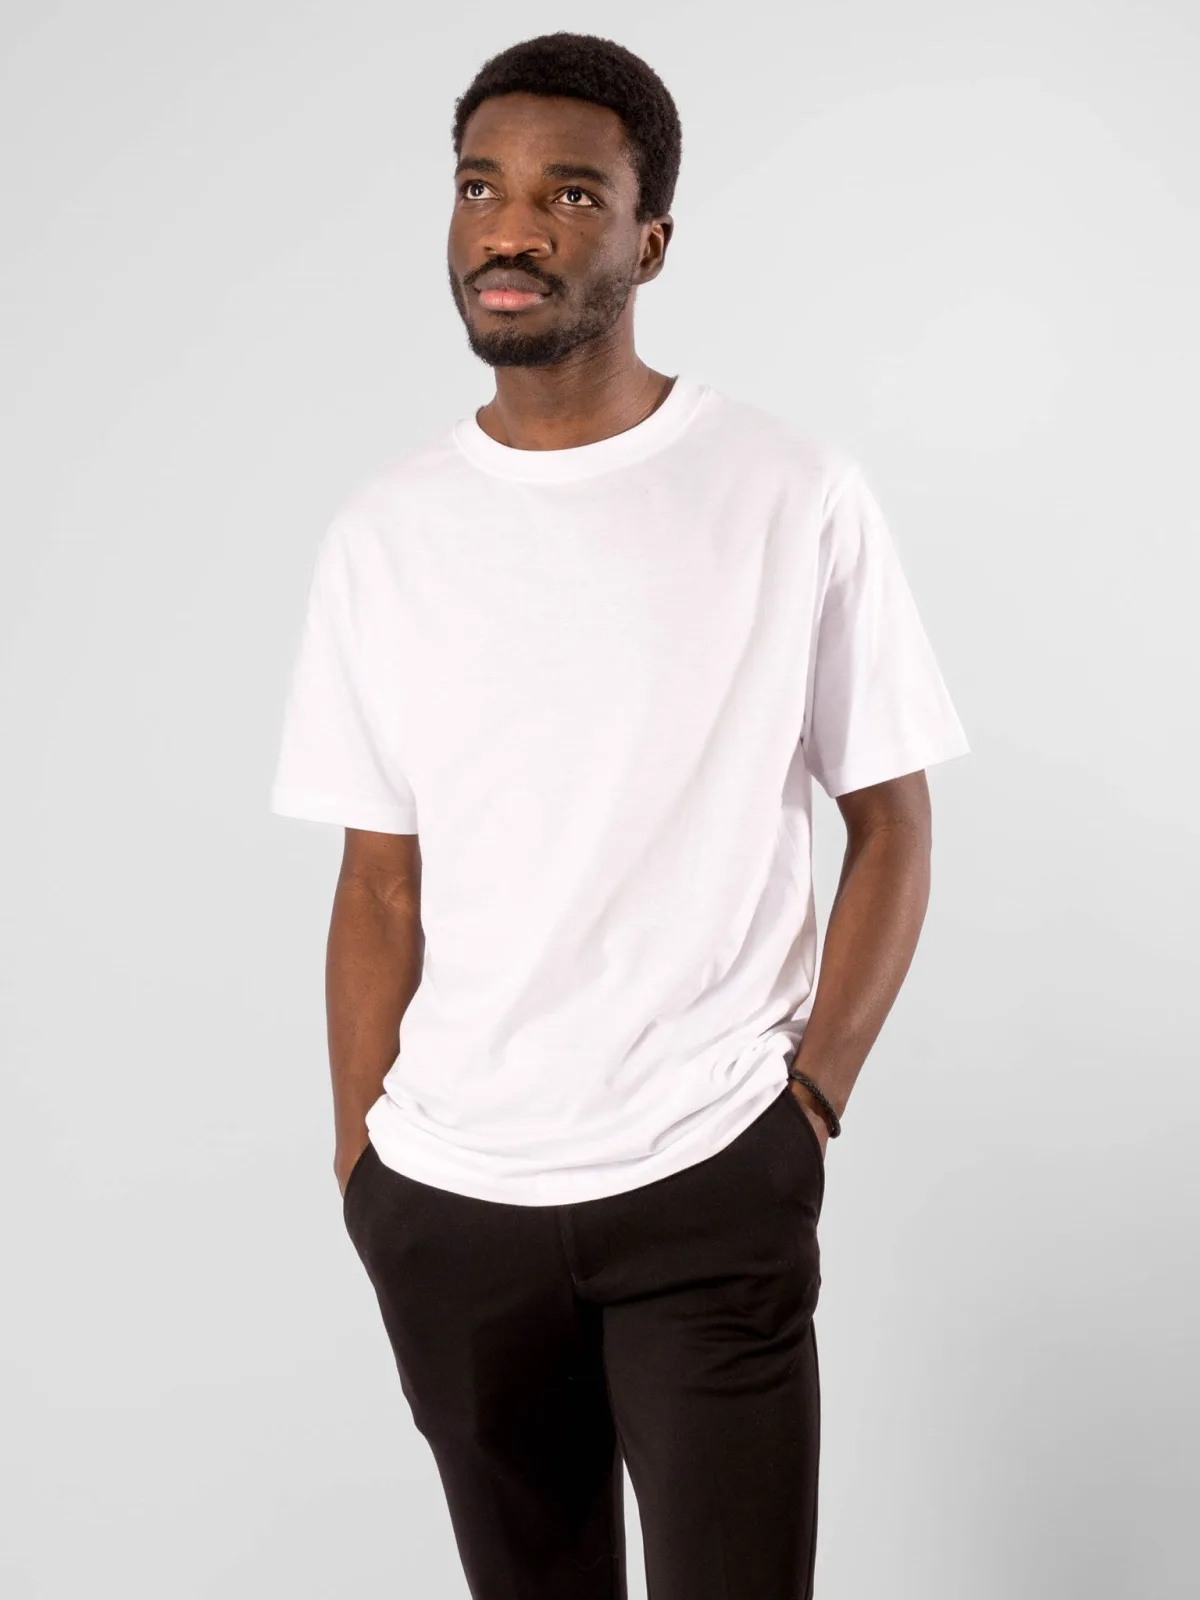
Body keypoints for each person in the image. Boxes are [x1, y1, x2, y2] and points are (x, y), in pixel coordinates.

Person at [268, 30, 970, 1600]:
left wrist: (809, 1108)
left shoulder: (789, 492)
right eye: (481, 189)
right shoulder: (386, 535)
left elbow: (894, 824)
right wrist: (365, 1168)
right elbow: (378, 885)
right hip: (447, 1203)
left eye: (569, 195)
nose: (511, 231)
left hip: (708, 1175)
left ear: (650, 240)